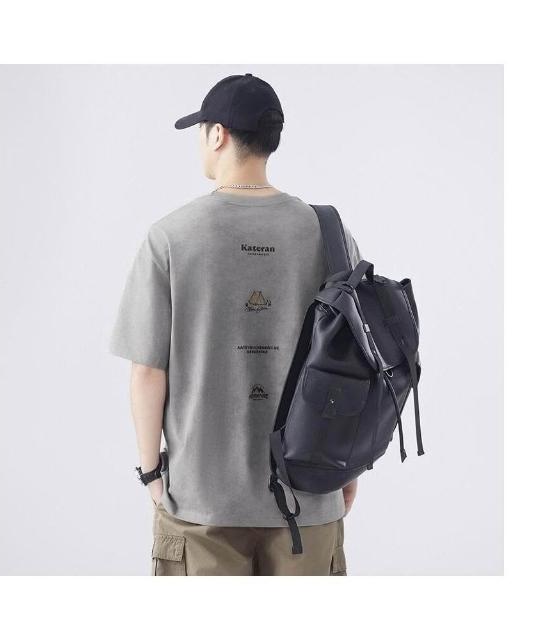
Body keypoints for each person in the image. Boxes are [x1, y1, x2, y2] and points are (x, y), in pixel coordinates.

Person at [110, 73, 361, 576]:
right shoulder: (331, 234)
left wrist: (151, 473)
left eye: (201, 131)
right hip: (309, 496)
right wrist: (346, 466)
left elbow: (147, 371)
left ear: (218, 134)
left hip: (200, 503)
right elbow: (357, 361)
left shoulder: (171, 237)